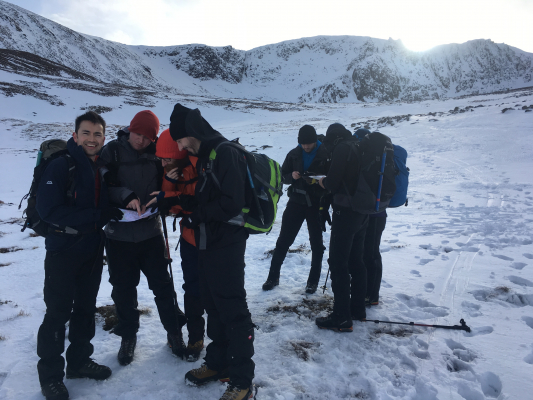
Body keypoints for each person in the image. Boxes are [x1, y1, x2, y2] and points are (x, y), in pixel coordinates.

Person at [169, 103, 255, 400]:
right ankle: (218, 363)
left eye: (180, 140)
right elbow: (208, 198)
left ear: (191, 133)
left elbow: (232, 203)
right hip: (208, 243)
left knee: (233, 309)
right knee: (214, 306)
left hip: (227, 244)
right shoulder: (205, 157)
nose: (180, 146)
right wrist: (180, 205)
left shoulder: (226, 153)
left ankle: (242, 378)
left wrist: (197, 215)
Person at [36, 111, 122, 400]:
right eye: (86, 133)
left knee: (85, 308)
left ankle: (79, 362)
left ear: (103, 138)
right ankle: (50, 375)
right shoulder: (62, 166)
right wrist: (97, 216)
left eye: (97, 134)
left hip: (92, 248)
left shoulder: (99, 168)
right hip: (63, 249)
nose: (92, 139)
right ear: (75, 136)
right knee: (57, 312)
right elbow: (49, 211)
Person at [100, 110, 186, 366]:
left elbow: (169, 182)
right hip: (119, 236)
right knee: (123, 291)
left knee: (163, 286)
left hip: (151, 233)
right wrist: (125, 196)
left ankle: (174, 332)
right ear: (131, 130)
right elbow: (102, 187)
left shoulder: (158, 152)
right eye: (138, 135)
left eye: (148, 138)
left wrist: (163, 195)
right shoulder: (112, 152)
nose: (141, 141)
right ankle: (128, 337)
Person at [145, 128, 205, 361]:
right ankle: (195, 337)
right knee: (192, 289)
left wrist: (177, 201)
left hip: (215, 240)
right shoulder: (171, 172)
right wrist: (169, 185)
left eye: (167, 158)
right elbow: (168, 206)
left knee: (214, 289)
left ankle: (224, 334)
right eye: (160, 159)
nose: (162, 163)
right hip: (190, 239)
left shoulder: (200, 168)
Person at [262, 125, 329, 294]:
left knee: (316, 243)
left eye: (309, 144)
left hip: (316, 203)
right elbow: (282, 177)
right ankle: (272, 277)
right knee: (284, 240)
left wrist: (321, 181)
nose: (306, 147)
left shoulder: (326, 153)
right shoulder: (293, 153)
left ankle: (312, 282)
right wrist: (290, 177)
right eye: (303, 144)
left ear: (316, 141)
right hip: (296, 202)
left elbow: (333, 179)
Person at [316, 123, 369, 332]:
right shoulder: (359, 145)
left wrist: (322, 182)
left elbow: (332, 183)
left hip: (345, 213)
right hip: (363, 212)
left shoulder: (342, 148)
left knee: (338, 263)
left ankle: (341, 317)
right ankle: (357, 310)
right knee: (357, 260)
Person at [353, 129, 387, 307]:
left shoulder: (368, 159)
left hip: (371, 213)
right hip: (378, 213)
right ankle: (370, 292)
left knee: (370, 252)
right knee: (371, 252)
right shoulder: (378, 159)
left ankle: (371, 294)